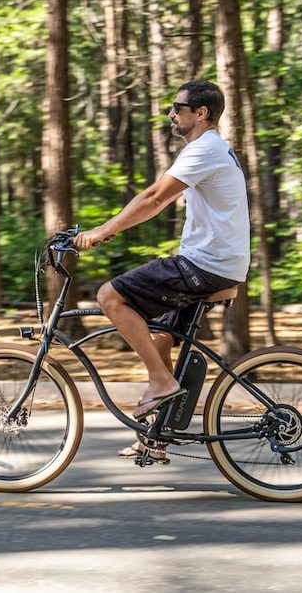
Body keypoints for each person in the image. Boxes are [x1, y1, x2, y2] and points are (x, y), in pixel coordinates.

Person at [74, 80, 251, 460]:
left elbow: (155, 197)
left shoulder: (205, 149)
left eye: (177, 107)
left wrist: (103, 231)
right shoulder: (210, 149)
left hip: (207, 264)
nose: (171, 114)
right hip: (217, 262)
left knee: (109, 296)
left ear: (200, 113)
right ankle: (156, 436)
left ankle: (160, 381)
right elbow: (159, 201)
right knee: (160, 337)